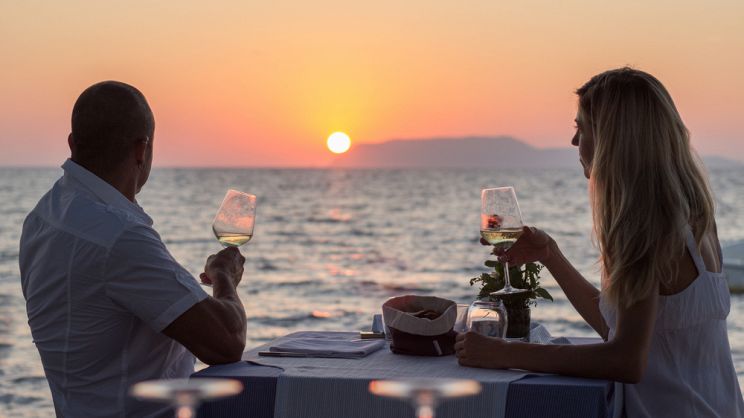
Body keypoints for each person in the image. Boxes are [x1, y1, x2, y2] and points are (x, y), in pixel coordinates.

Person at [455, 68, 744, 417]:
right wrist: (550, 254)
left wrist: (502, 353)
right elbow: (620, 331)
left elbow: (625, 361)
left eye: (581, 128)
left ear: (613, 138)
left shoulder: (646, 226)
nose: (575, 143)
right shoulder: (692, 214)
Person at [19, 81, 248, 417]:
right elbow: (226, 342)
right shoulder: (117, 235)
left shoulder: (43, 217)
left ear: (72, 143)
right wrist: (225, 276)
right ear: (142, 149)